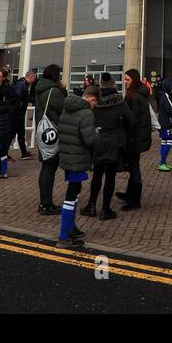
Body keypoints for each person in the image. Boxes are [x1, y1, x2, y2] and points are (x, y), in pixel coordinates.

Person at [55, 85, 100, 247]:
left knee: (75, 192)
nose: (95, 107)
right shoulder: (86, 113)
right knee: (72, 195)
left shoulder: (67, 108)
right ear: (92, 99)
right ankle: (64, 234)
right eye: (96, 104)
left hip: (67, 156)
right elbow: (89, 139)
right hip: (78, 158)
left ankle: (71, 228)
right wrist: (97, 135)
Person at [86, 73, 133, 221]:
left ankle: (91, 205)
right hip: (113, 142)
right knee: (110, 177)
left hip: (97, 140)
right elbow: (130, 121)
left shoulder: (94, 101)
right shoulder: (119, 101)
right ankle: (105, 209)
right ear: (113, 85)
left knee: (97, 175)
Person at [33, 64, 67, 216]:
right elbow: (64, 109)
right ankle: (46, 203)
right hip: (53, 133)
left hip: (43, 132)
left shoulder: (40, 88)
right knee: (49, 168)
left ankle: (44, 202)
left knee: (46, 167)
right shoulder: (53, 92)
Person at [118, 69, 152, 210]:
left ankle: (135, 200)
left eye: (127, 80)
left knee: (134, 167)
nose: (125, 82)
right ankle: (130, 194)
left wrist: (123, 128)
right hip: (138, 137)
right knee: (133, 166)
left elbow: (132, 119)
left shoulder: (135, 96)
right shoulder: (139, 94)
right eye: (124, 79)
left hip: (134, 138)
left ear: (134, 80)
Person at [156, 76, 172, 172]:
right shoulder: (165, 97)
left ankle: (163, 163)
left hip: (163, 123)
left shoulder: (163, 96)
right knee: (169, 140)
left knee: (164, 141)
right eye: (171, 87)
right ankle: (162, 163)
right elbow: (169, 110)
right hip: (165, 123)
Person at [12, 67, 32, 160]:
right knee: (12, 133)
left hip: (19, 114)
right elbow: (18, 98)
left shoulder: (24, 85)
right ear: (31, 77)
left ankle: (24, 152)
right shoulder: (21, 85)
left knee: (20, 133)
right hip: (17, 114)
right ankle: (4, 153)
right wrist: (18, 112)